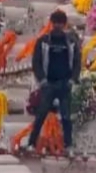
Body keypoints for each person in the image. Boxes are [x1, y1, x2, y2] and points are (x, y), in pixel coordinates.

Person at [28, 9, 81, 150]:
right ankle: (31, 144)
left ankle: (68, 145)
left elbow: (77, 62)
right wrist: (42, 80)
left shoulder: (71, 42)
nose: (58, 26)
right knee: (40, 115)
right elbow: (36, 62)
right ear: (51, 24)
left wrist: (72, 80)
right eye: (55, 23)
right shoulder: (43, 41)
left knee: (66, 116)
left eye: (60, 23)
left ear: (64, 25)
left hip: (64, 84)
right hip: (48, 84)